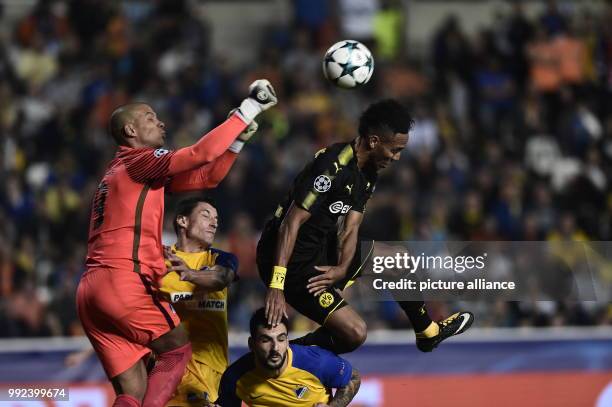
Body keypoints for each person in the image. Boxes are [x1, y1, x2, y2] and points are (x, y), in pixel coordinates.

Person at [76, 80, 277, 407]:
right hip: (123, 279)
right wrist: (249, 108)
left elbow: (206, 178)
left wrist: (237, 141)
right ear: (130, 130)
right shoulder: (137, 160)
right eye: (150, 117)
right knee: (177, 348)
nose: (161, 122)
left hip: (91, 291)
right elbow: (201, 153)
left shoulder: (122, 173)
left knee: (132, 394)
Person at [257, 99, 473, 355]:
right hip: (287, 264)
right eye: (394, 150)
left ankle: (427, 332)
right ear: (373, 141)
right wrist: (276, 285)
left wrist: (340, 269)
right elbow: (291, 223)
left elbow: (351, 226)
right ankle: (287, 352)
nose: (397, 157)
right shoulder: (332, 165)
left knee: (399, 260)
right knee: (355, 334)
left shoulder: (368, 172)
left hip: (322, 249)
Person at [158, 197, 238, 406]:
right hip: (170, 369)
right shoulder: (157, 261)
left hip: (213, 373)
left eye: (216, 219)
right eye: (206, 215)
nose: (214, 223)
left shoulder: (219, 258)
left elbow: (222, 278)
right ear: (183, 221)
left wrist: (190, 274)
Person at [214, 308, 361, 407]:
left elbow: (353, 378)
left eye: (281, 339)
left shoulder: (316, 362)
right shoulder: (235, 376)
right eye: (266, 340)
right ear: (252, 344)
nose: (275, 348)